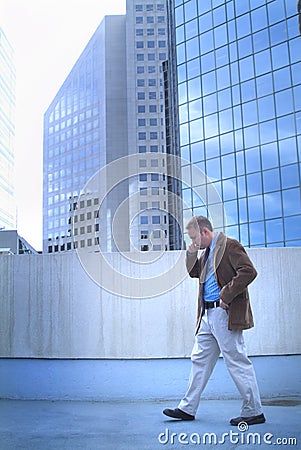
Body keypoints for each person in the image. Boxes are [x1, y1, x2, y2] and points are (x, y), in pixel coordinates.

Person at [163, 216, 265, 426]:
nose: (195, 243)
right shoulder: (206, 253)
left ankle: (254, 411)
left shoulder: (229, 246)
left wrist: (226, 294)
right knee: (199, 361)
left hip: (224, 313)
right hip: (207, 316)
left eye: (195, 239)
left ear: (205, 232)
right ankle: (187, 408)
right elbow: (194, 273)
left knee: (236, 360)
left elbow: (248, 271)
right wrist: (191, 253)